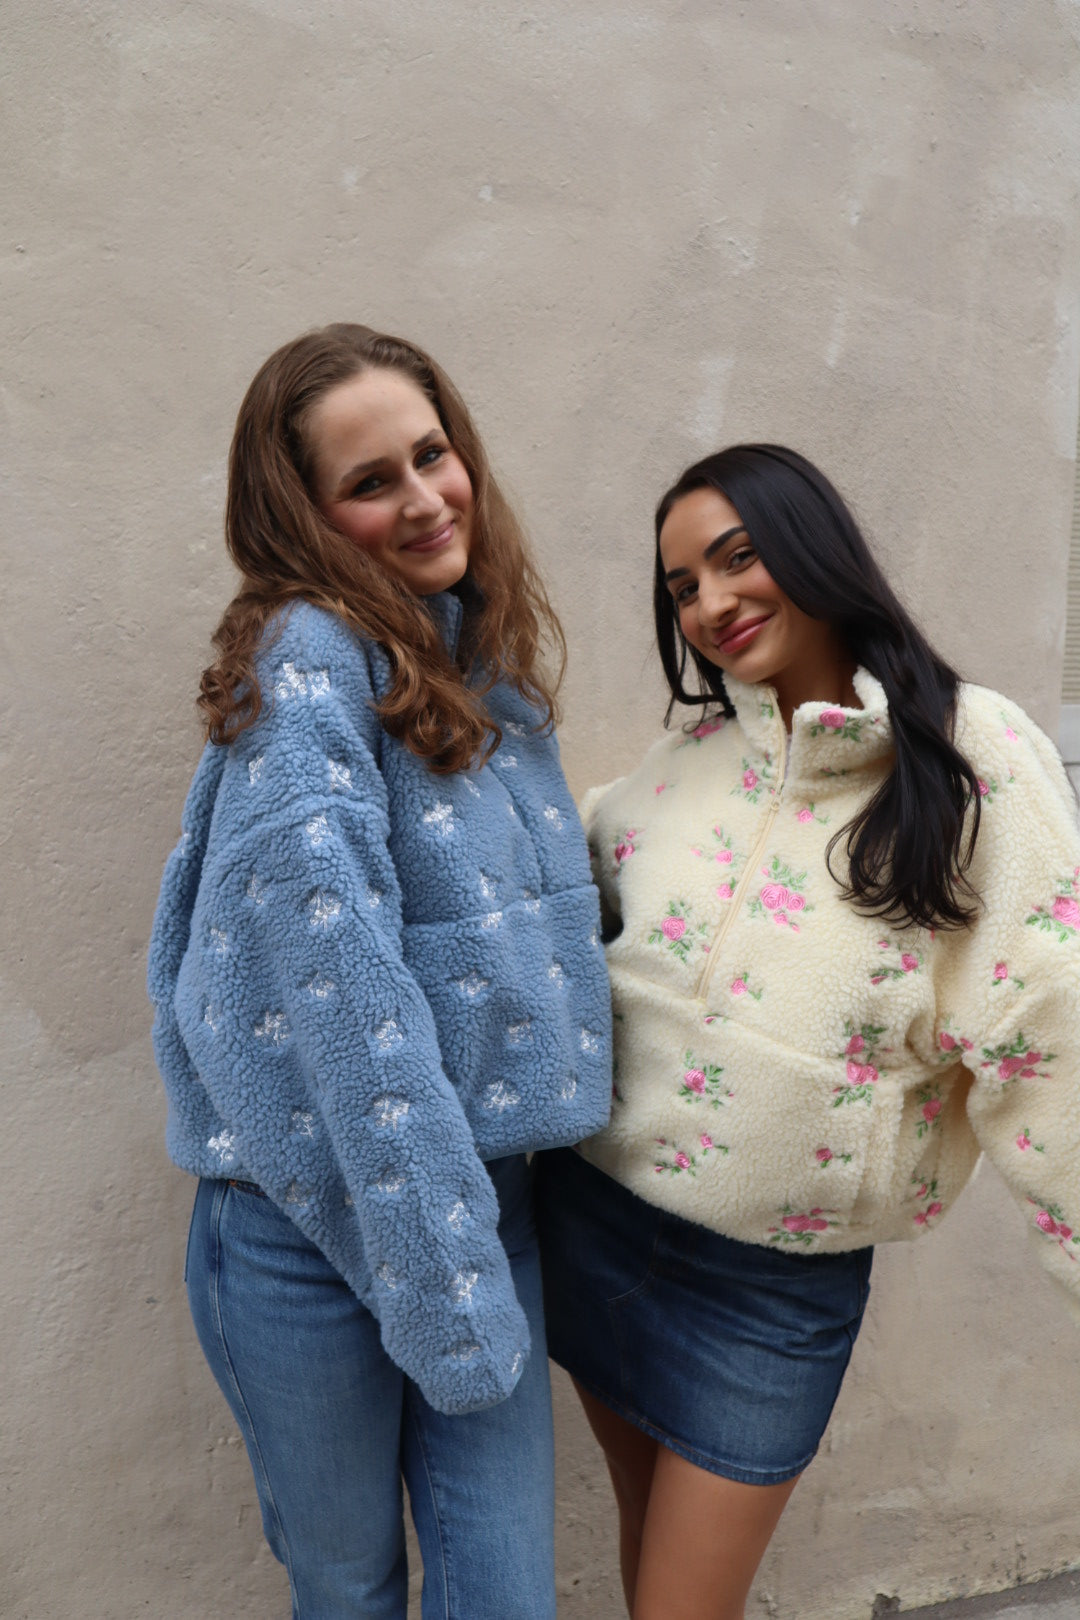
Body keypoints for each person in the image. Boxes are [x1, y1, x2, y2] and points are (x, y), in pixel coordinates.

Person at [535, 443, 1080, 1620]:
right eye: (684, 586)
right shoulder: (689, 760)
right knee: (646, 1558)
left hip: (771, 1294)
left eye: (738, 557)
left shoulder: (973, 753)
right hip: (598, 1224)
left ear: (815, 546)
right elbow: (571, 868)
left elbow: (1049, 1033)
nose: (712, 602)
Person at [147, 323, 611, 1620]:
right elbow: (339, 982)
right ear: (301, 517)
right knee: (350, 1592)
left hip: (481, 1197)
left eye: (431, 453)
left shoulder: (475, 655)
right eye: (370, 482)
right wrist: (442, 1272)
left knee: (501, 1592)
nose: (423, 498)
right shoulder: (308, 659)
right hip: (301, 1211)